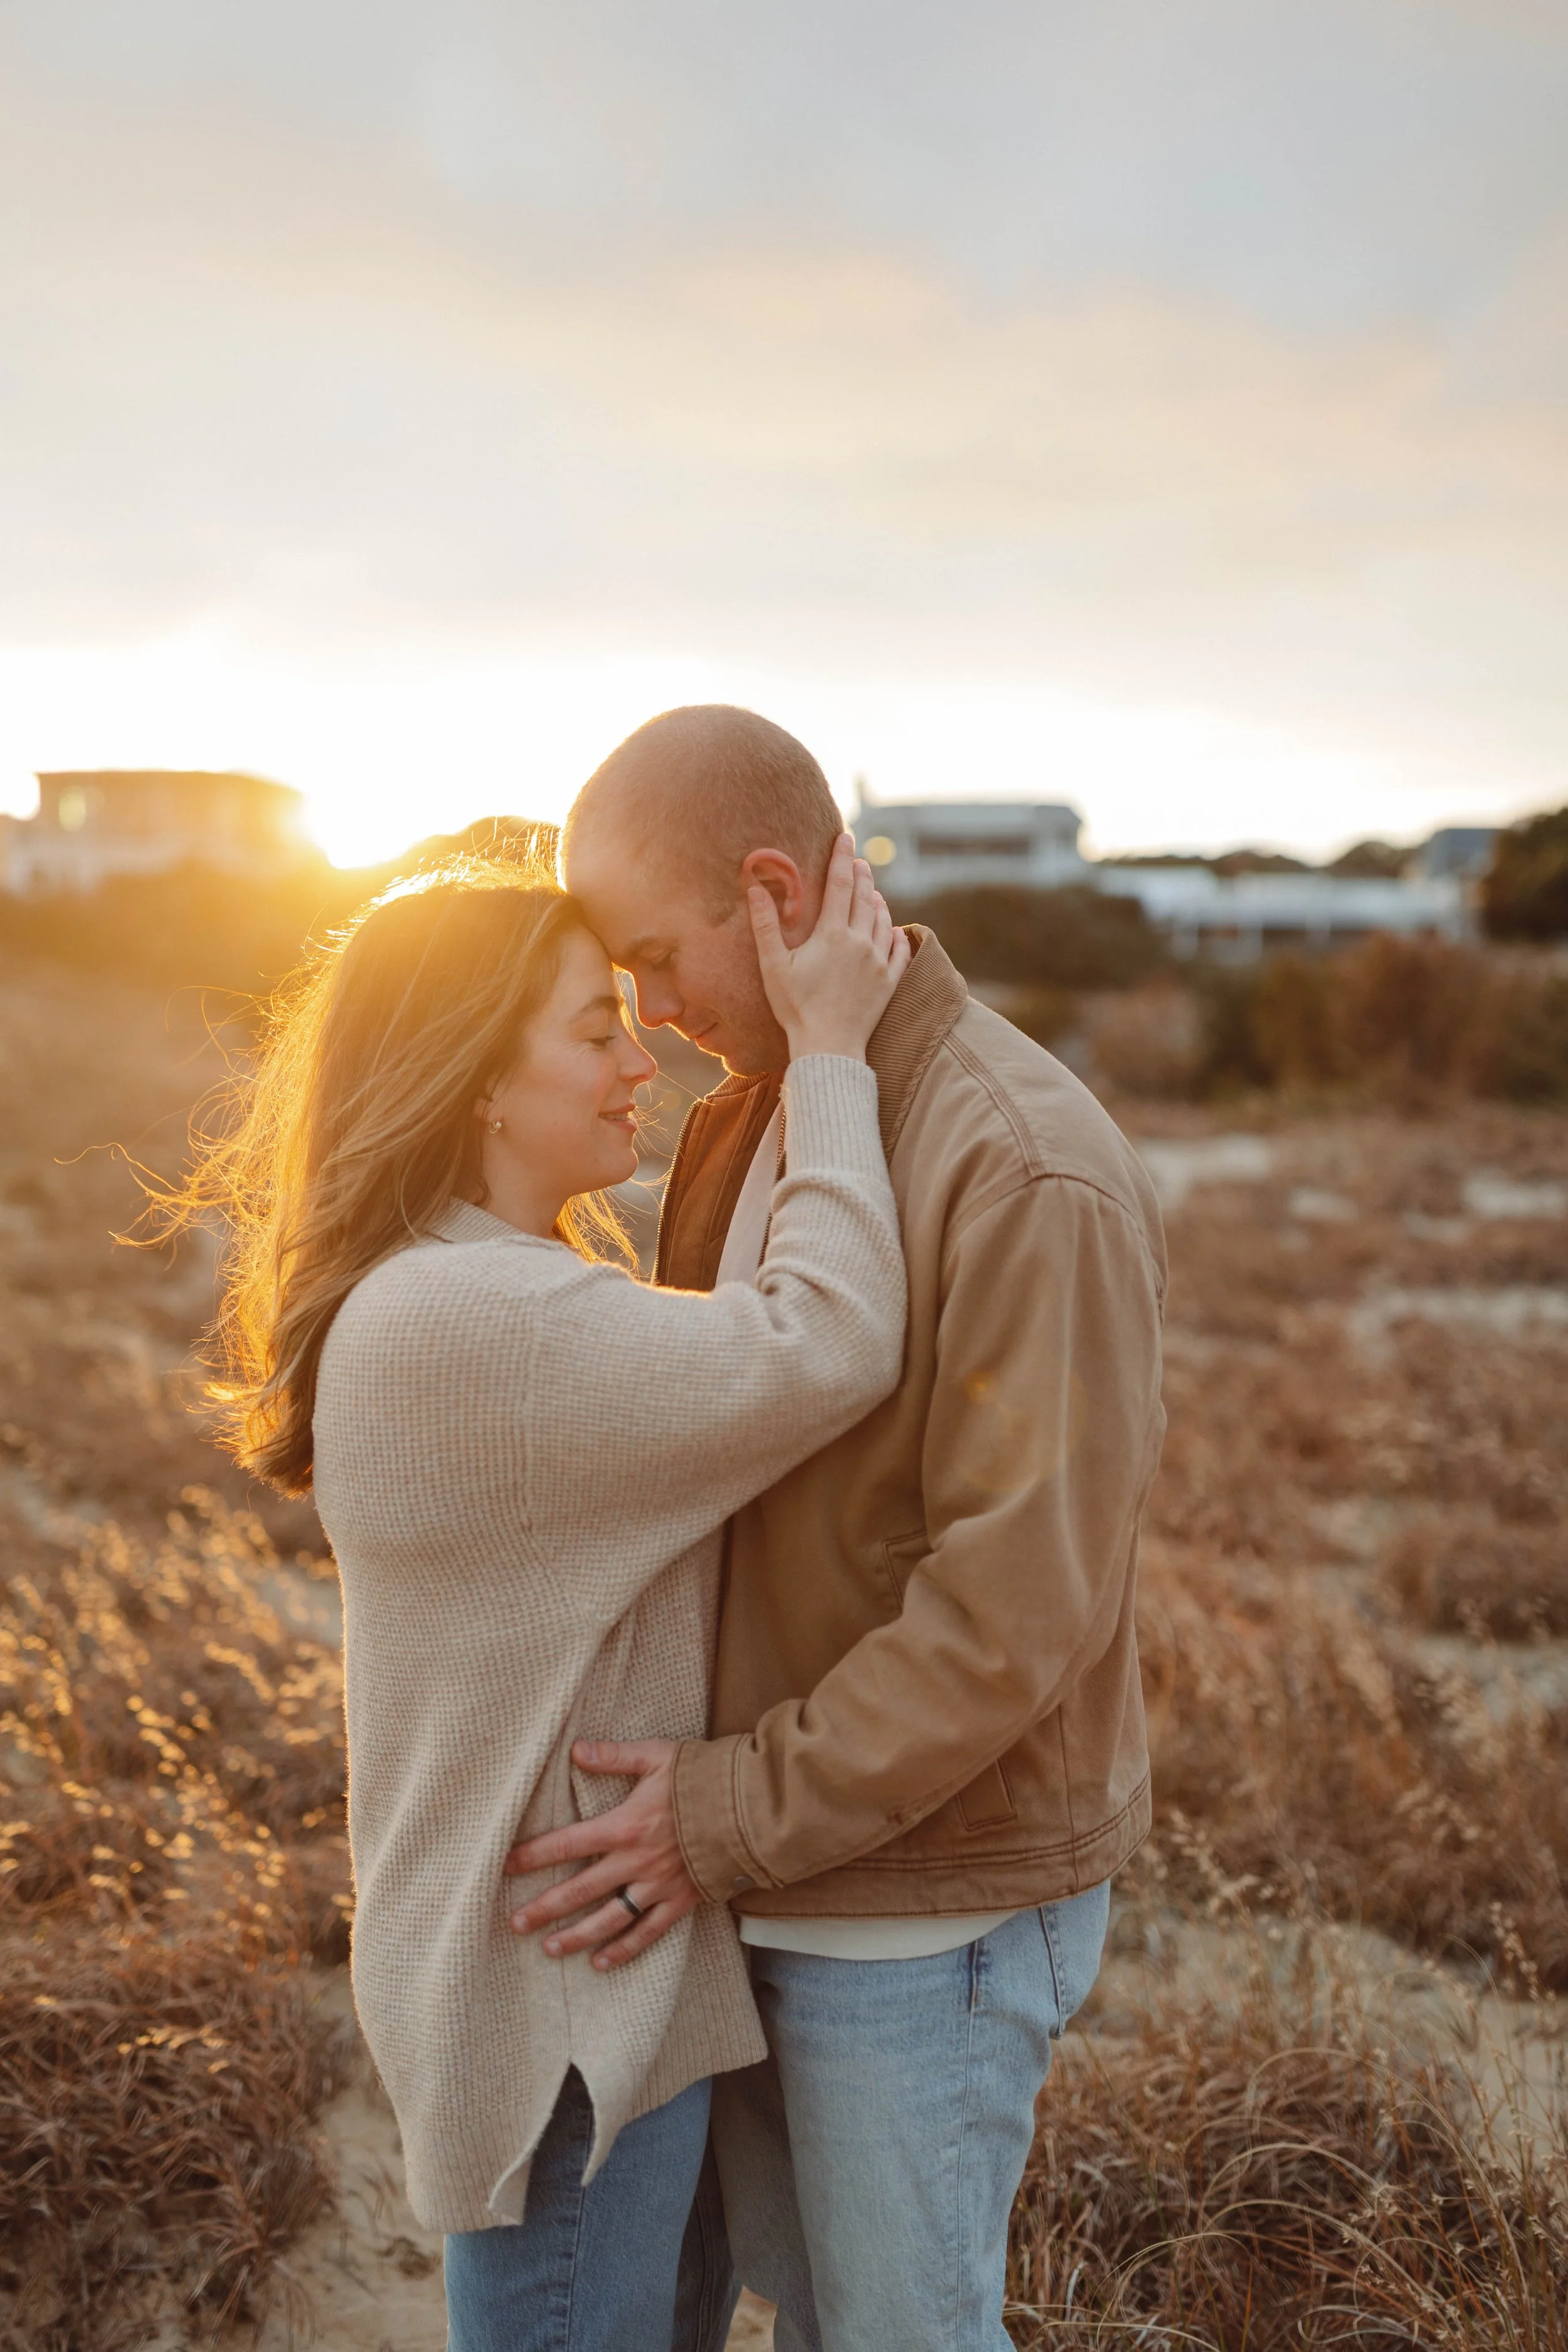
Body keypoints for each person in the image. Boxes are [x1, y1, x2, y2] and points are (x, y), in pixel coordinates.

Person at [162, 839, 909, 2352]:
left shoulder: (458, 1285)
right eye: (591, 1031)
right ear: (476, 1083)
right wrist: (829, 1053)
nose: (639, 1059)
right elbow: (828, 1338)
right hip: (559, 2023)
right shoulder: (481, 1323)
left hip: (561, 1997)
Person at [508, 706, 1168, 2352]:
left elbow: (1013, 1609)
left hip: (918, 1913)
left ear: (767, 886)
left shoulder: (1020, 1161)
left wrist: (723, 1808)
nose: (648, 1016)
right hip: (763, 1878)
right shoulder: (759, 1106)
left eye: (659, 959)